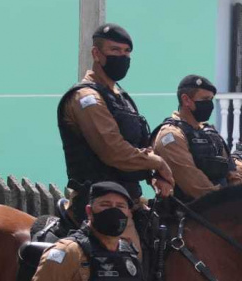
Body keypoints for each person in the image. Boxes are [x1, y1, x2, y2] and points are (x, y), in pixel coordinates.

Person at [56, 23, 174, 250]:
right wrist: (157, 163)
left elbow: (140, 147)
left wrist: (154, 176)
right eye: (114, 51)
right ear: (96, 53)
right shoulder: (86, 97)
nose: (122, 57)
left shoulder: (122, 98)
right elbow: (113, 151)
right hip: (100, 201)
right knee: (132, 260)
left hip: (129, 196)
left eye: (126, 52)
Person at [152, 75, 240, 201]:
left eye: (211, 99)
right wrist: (222, 202)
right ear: (186, 100)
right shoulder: (171, 135)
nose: (210, 104)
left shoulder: (211, 133)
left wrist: (237, 198)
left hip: (220, 209)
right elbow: (191, 180)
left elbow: (232, 172)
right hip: (187, 213)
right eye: (205, 99)